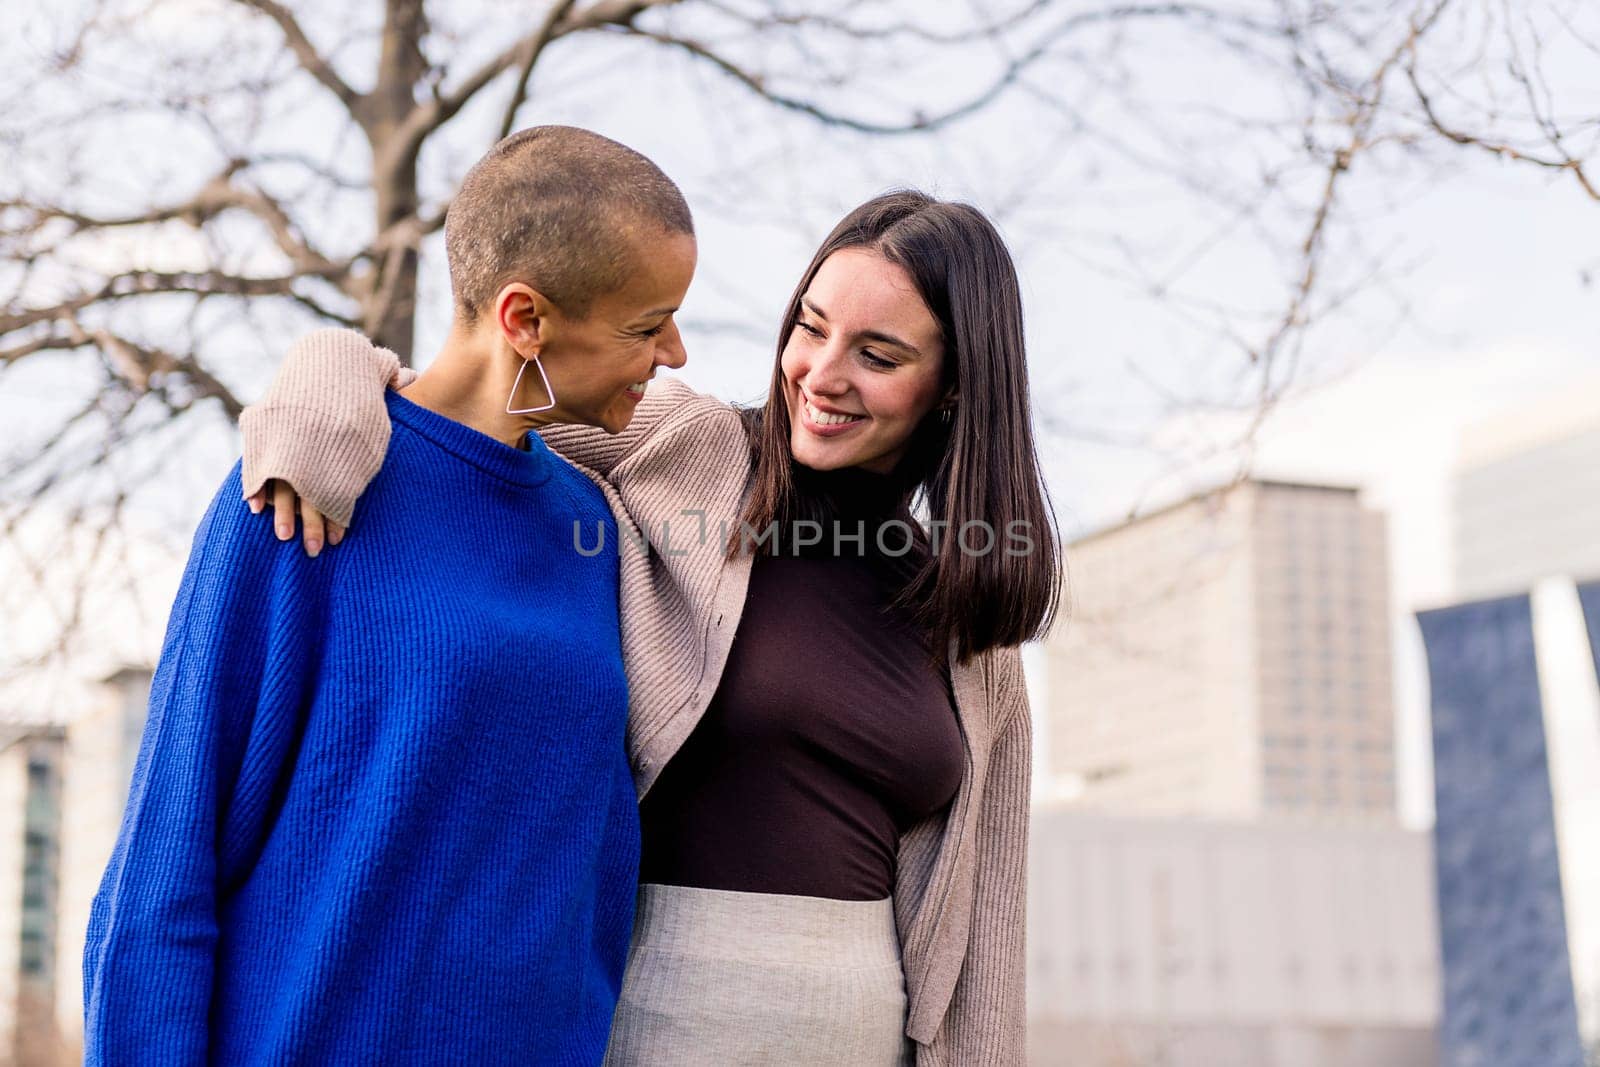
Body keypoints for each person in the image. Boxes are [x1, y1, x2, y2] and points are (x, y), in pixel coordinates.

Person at [245, 190, 1059, 1065]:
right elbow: (453, 391)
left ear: (954, 387)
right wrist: (323, 380)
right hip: (649, 1021)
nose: (822, 373)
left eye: (878, 353)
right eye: (811, 327)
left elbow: (983, 950)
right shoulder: (694, 450)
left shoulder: (974, 620)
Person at [82, 126, 696, 1065]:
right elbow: (166, 864)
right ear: (524, 319)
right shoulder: (299, 491)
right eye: (645, 325)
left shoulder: (597, 530)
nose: (676, 352)